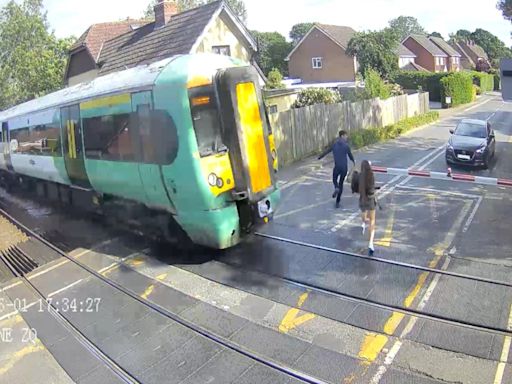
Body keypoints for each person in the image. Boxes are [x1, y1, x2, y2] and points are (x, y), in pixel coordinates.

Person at [318, 130, 355, 208]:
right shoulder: (346, 146)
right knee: (341, 183)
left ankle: (336, 187)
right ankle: (337, 202)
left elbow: (327, 151)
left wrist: (320, 157)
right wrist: (353, 161)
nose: (346, 137)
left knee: (335, 179)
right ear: (342, 136)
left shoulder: (334, 145)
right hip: (344, 168)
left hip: (337, 167)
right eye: (345, 136)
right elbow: (350, 155)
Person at [358, 160, 377, 256]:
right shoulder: (371, 176)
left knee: (363, 212)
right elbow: (372, 189)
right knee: (372, 220)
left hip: (362, 199)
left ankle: (363, 223)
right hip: (370, 199)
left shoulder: (360, 176)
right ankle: (371, 243)